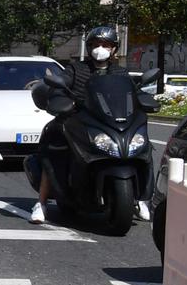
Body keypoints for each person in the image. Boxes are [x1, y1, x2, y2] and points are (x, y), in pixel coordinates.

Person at [31, 25, 145, 224]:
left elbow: (132, 93)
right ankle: (40, 203)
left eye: (106, 45)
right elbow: (62, 84)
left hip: (111, 122)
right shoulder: (76, 69)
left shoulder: (121, 72)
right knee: (53, 146)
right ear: (89, 46)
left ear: (114, 49)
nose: (100, 49)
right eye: (96, 44)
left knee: (143, 145)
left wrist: (143, 99)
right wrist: (59, 98)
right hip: (78, 118)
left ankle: (140, 198)